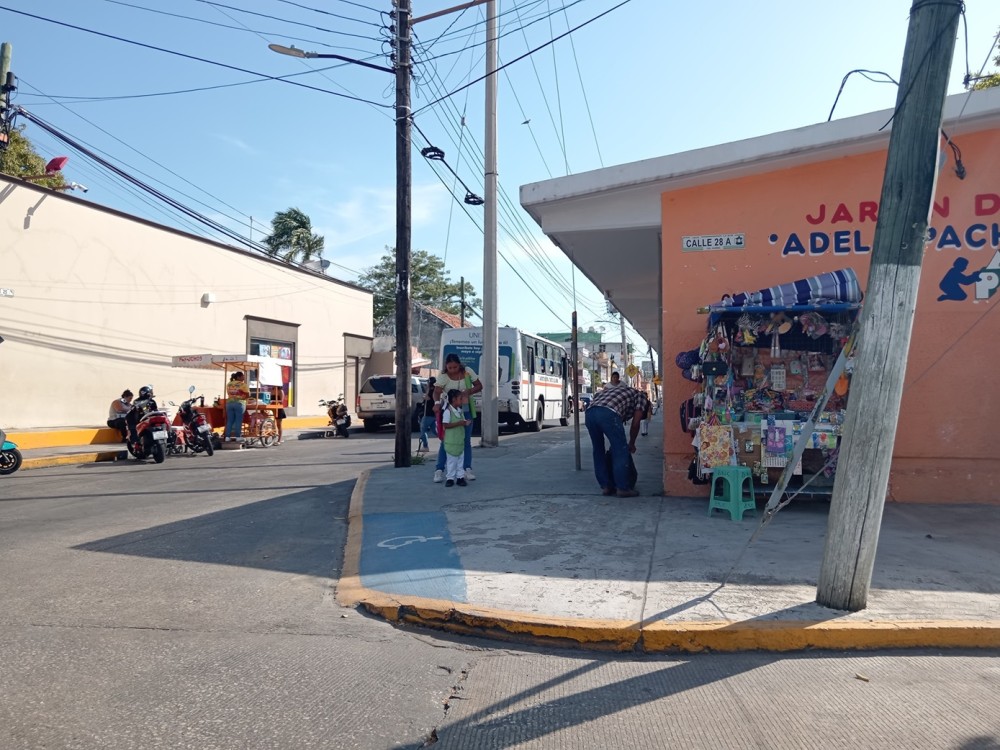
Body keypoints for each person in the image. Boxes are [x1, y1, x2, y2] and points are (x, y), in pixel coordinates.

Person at [584, 383, 650, 498]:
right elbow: (635, 424)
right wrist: (632, 443)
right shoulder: (641, 397)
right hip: (608, 413)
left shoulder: (618, 390)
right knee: (620, 450)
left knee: (598, 450)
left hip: (590, 413)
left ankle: (606, 486)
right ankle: (622, 488)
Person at [432, 354, 482, 483]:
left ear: (459, 365)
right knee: (446, 441)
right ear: (446, 367)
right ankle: (439, 470)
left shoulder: (467, 372)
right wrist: (437, 403)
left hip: (466, 410)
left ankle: (466, 469)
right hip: (449, 411)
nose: (452, 370)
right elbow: (436, 391)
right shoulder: (443, 377)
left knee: (465, 441)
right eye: (449, 368)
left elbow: (479, 385)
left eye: (455, 367)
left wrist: (467, 392)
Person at [441, 389, 469, 487]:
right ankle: (450, 478)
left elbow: (462, 421)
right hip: (451, 442)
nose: (462, 401)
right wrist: (460, 423)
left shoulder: (460, 411)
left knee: (460, 460)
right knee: (451, 461)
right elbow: (445, 425)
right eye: (460, 399)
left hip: (459, 441)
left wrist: (465, 422)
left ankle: (460, 477)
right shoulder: (448, 412)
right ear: (453, 399)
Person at [224, 371, 249, 442]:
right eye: (242, 376)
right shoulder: (243, 384)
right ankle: (238, 437)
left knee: (230, 421)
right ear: (238, 377)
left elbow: (229, 393)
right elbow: (247, 395)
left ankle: (227, 437)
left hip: (229, 403)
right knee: (238, 420)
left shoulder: (229, 384)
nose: (243, 377)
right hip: (239, 403)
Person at [417, 376, 437, 454]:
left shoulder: (431, 391)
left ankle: (425, 446)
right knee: (434, 431)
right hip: (433, 414)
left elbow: (429, 399)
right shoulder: (435, 390)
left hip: (428, 413)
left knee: (423, 430)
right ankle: (446, 440)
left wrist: (426, 397)